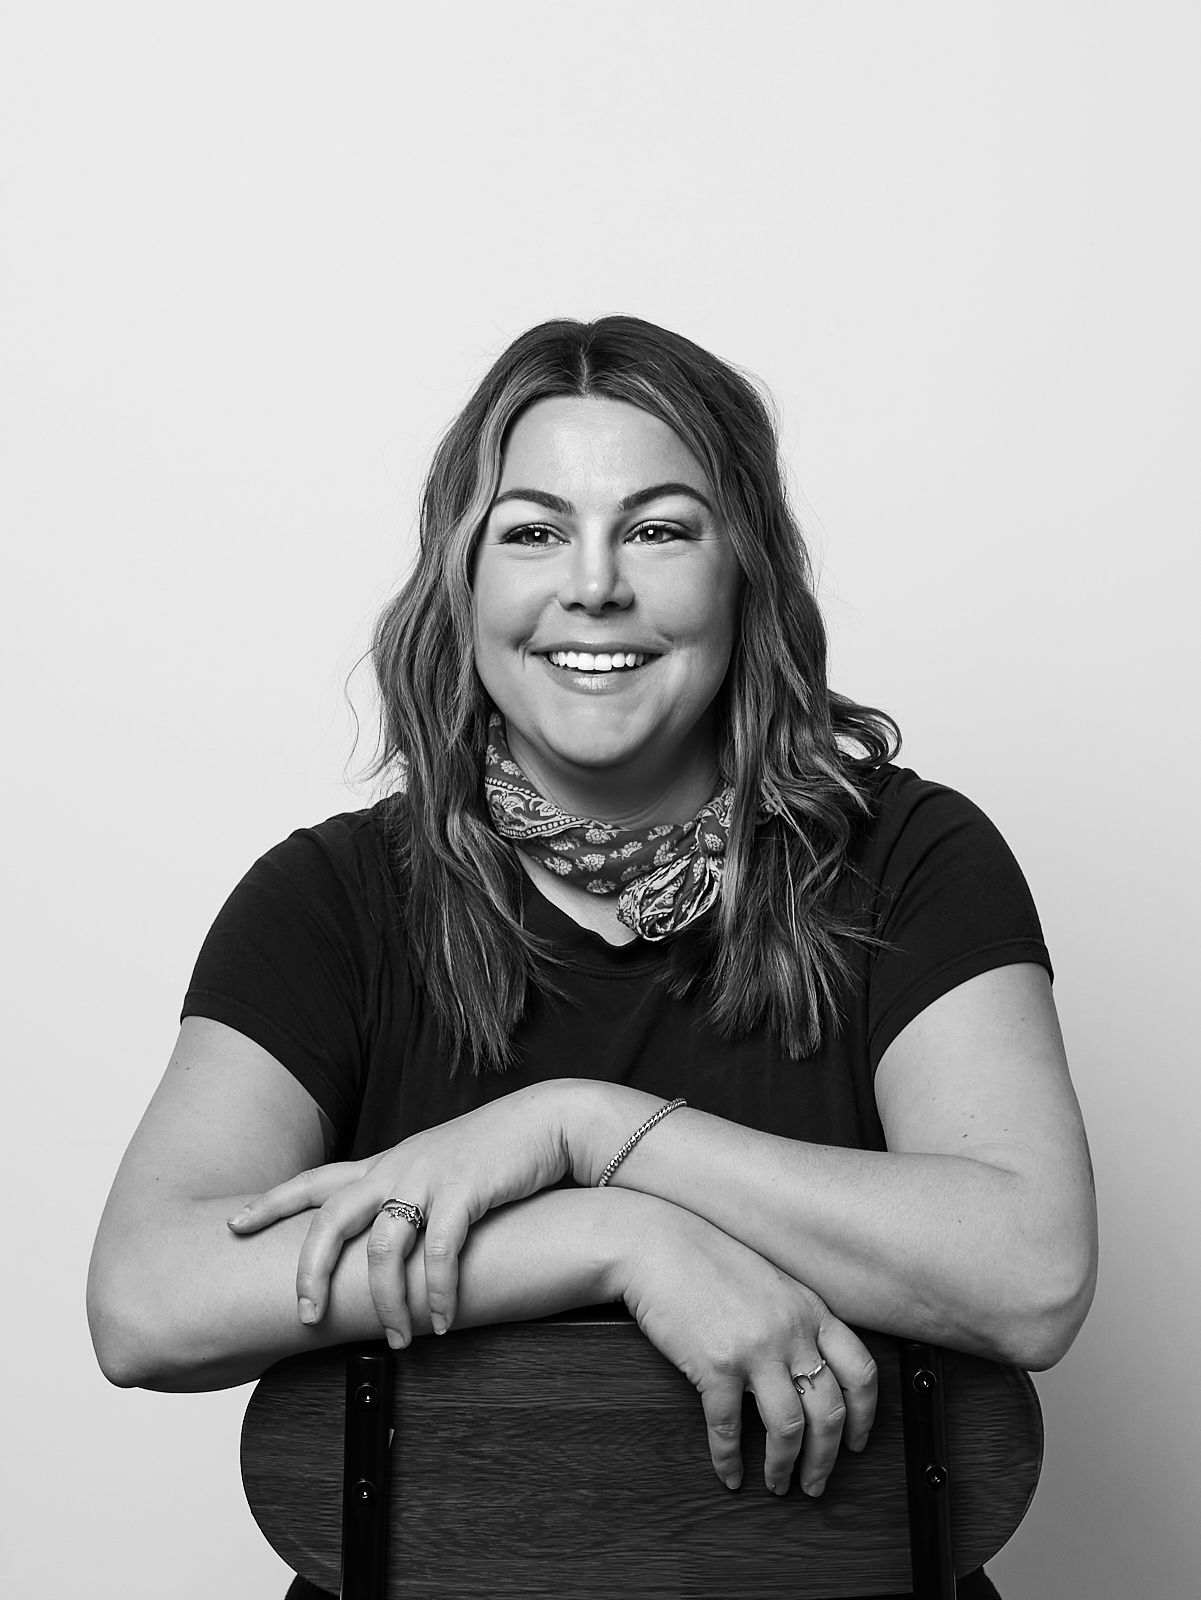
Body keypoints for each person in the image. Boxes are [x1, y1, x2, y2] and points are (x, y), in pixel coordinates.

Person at [87, 317, 1097, 1600]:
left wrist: (584, 1124)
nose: (595, 584)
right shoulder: (332, 897)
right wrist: (613, 1238)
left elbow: (1029, 1271)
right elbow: (146, 1299)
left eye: (661, 528)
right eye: (534, 529)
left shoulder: (910, 856)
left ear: (745, 574)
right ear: (462, 582)